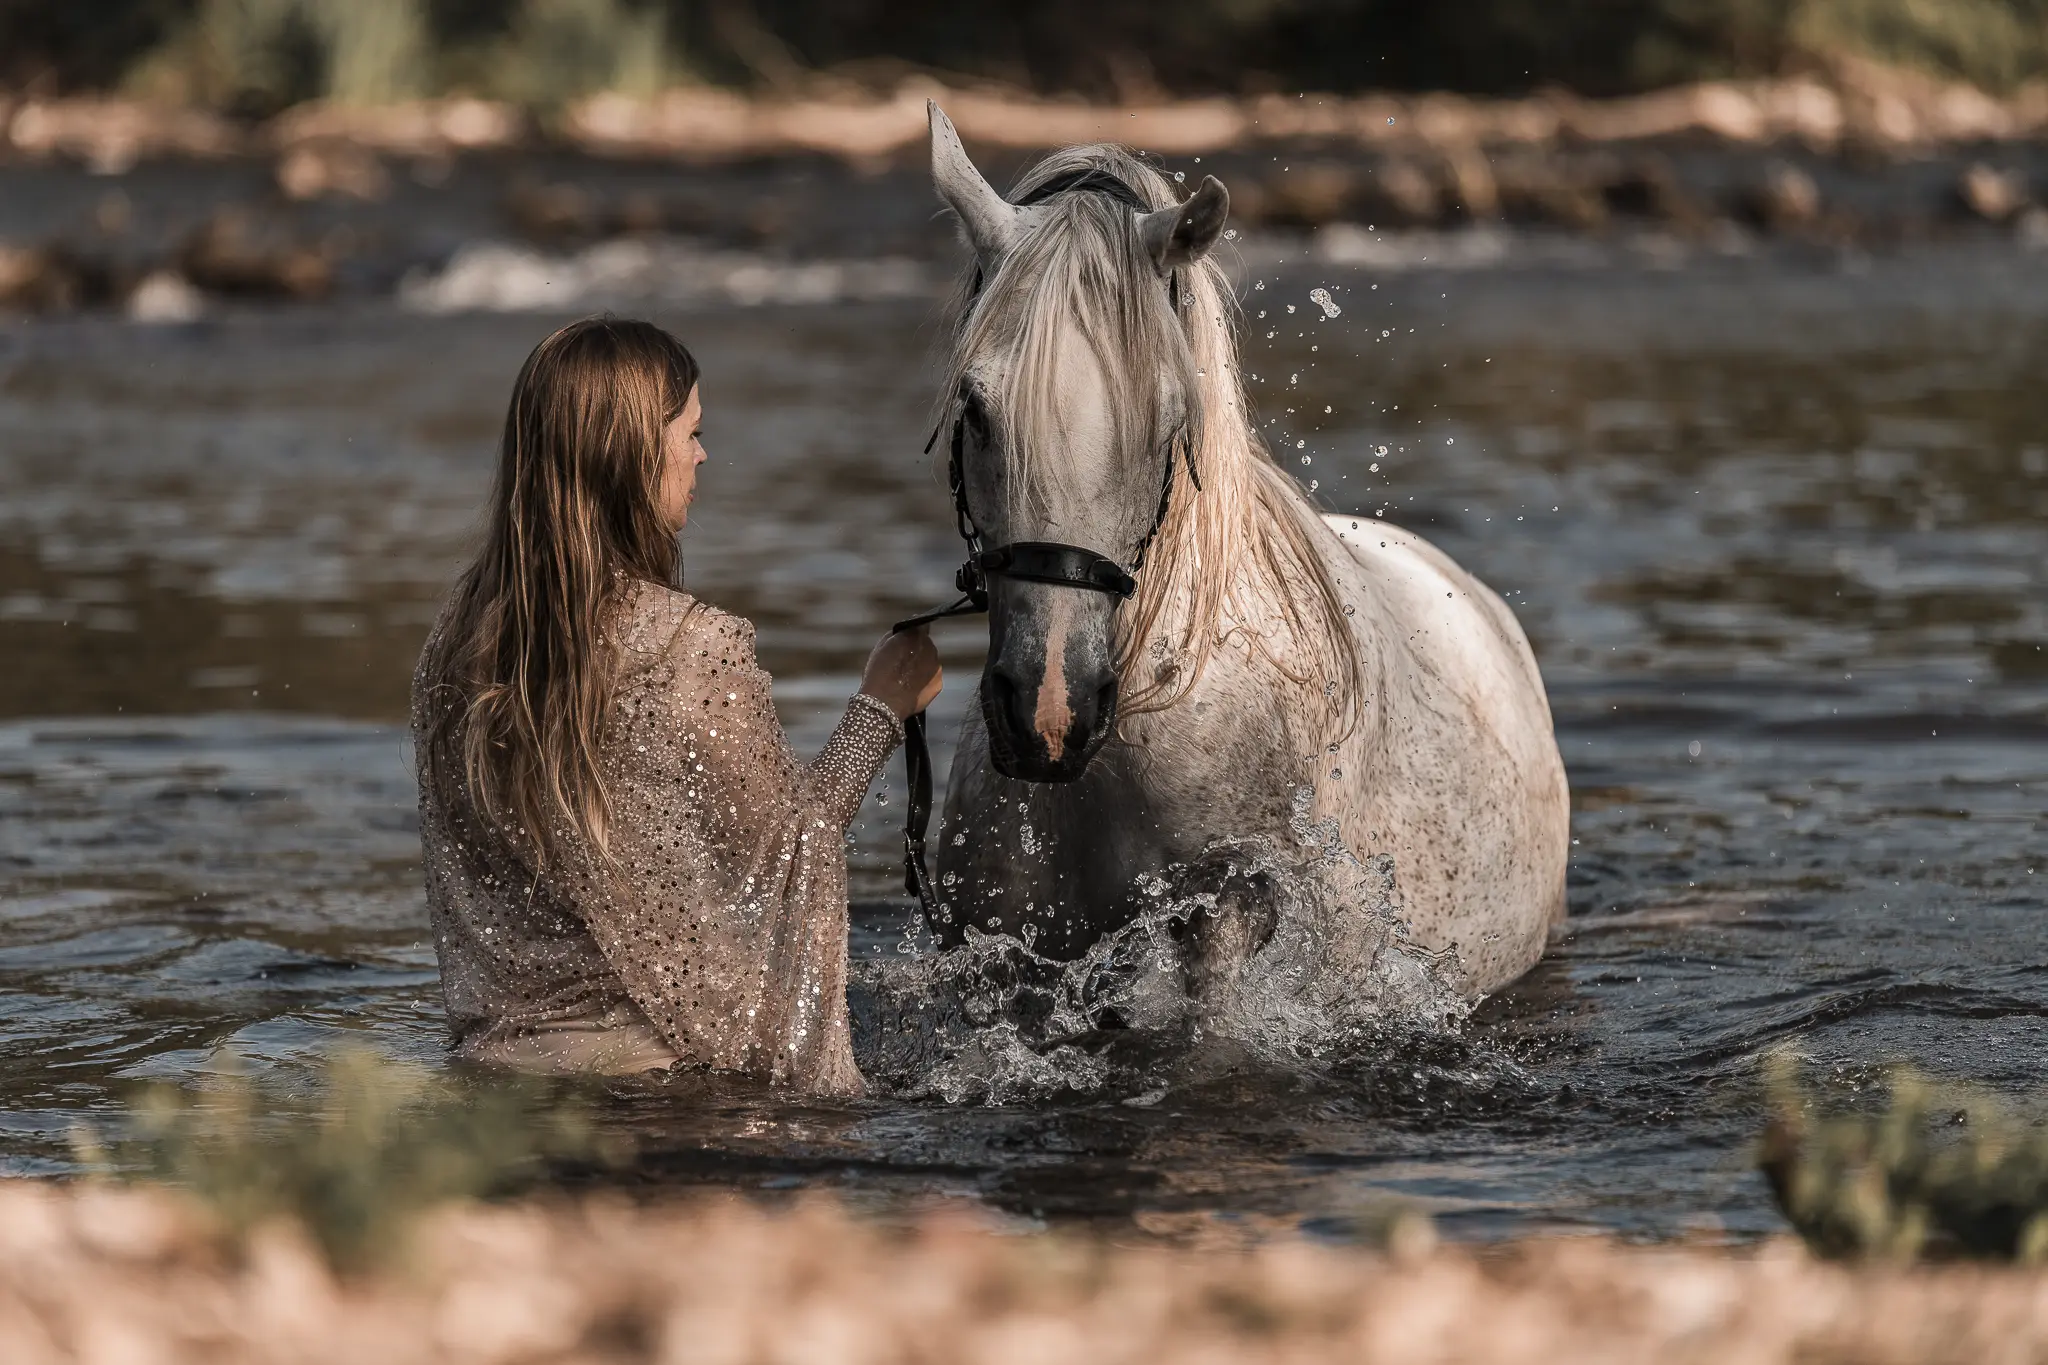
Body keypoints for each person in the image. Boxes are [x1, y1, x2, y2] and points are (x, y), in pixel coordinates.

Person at [410, 317, 940, 1093]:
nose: (702, 456)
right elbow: (790, 857)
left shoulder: (452, 643)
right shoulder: (695, 647)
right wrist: (882, 706)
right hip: (652, 1094)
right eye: (689, 433)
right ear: (630, 456)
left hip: (486, 1085)